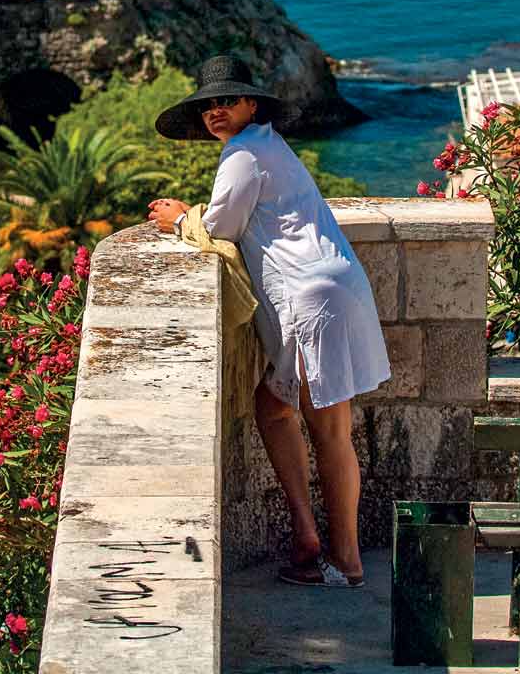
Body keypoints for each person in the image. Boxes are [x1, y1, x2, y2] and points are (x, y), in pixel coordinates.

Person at [147, 55, 389, 588]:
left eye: (226, 101)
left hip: (309, 297)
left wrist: (179, 216)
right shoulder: (268, 146)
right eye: (209, 105)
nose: (216, 111)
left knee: (329, 430)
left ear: (250, 105)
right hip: (329, 286)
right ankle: (309, 536)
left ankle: (344, 561)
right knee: (276, 408)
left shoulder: (244, 151)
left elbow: (221, 227)